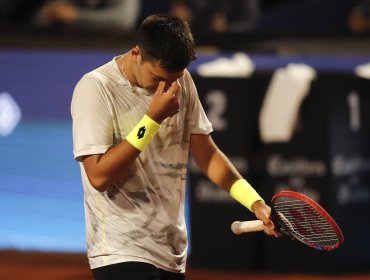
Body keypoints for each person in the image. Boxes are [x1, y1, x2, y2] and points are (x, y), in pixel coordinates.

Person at [71, 14, 278, 280]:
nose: (168, 87)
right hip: (119, 251)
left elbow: (208, 155)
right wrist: (153, 119)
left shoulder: (182, 82)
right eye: (158, 78)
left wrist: (255, 203)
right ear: (136, 54)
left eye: (174, 79)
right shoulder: (96, 88)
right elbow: (98, 176)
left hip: (171, 253)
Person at [34, 0, 141, 33]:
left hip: (111, 50)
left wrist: (77, 16)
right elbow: (39, 19)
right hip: (66, 49)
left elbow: (123, 21)